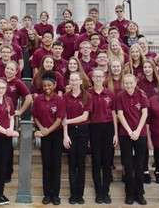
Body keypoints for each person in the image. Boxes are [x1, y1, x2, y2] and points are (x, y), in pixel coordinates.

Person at [33, 72, 65, 205]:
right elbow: (35, 117)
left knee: (56, 165)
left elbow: (59, 119)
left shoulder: (59, 99)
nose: (47, 87)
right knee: (46, 165)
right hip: (44, 134)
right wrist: (42, 129)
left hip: (56, 134)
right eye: (45, 85)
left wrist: (48, 131)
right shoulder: (38, 99)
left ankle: (55, 195)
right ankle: (47, 194)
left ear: (55, 85)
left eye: (49, 85)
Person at [116, 74, 149, 205]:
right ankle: (129, 193)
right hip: (125, 134)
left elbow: (145, 113)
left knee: (140, 165)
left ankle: (139, 194)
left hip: (140, 134)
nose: (129, 85)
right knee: (128, 166)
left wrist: (137, 131)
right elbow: (120, 114)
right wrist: (130, 131)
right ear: (123, 84)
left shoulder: (142, 94)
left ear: (135, 83)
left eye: (131, 83)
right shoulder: (120, 96)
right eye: (126, 83)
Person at [89, 68, 118, 204]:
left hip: (108, 128)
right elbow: (87, 115)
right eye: (96, 76)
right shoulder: (88, 93)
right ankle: (98, 192)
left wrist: (116, 134)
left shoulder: (110, 94)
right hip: (93, 128)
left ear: (104, 78)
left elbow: (114, 114)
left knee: (107, 162)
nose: (98, 78)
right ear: (92, 78)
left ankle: (106, 192)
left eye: (101, 76)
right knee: (96, 161)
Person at [63, 71, 92, 204]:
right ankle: (72, 195)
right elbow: (63, 117)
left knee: (81, 164)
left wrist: (68, 122)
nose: (74, 82)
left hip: (82, 132)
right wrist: (65, 135)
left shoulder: (87, 96)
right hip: (70, 133)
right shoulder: (65, 96)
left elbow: (84, 117)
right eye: (72, 79)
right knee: (72, 164)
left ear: (81, 81)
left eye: (76, 79)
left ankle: (80, 195)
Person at [3, 60, 32, 182]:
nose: (9, 71)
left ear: (16, 71)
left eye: (11, 69)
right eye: (7, 68)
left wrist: (19, 111)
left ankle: (7, 173)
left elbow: (29, 98)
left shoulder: (18, 83)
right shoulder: (0, 81)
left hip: (10, 118)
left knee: (8, 146)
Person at [137, 59, 159, 184]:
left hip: (158, 116)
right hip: (144, 115)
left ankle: (158, 170)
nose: (147, 69)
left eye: (149, 67)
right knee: (145, 143)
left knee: (158, 144)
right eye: (145, 67)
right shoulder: (140, 83)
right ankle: (145, 170)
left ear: (153, 68)